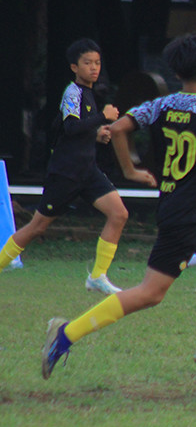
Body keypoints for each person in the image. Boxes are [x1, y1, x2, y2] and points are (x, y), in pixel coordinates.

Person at [41, 34, 196, 384]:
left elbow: (118, 127)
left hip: (187, 209)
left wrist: (130, 169)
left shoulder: (162, 103)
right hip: (187, 215)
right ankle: (65, 334)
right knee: (150, 293)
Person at [0, 39, 129, 295]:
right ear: (74, 67)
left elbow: (76, 130)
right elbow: (70, 127)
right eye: (87, 63)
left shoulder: (91, 94)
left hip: (87, 171)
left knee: (119, 214)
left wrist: (97, 133)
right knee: (37, 227)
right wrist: (103, 118)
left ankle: (98, 276)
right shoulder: (73, 92)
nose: (94, 68)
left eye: (97, 63)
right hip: (66, 172)